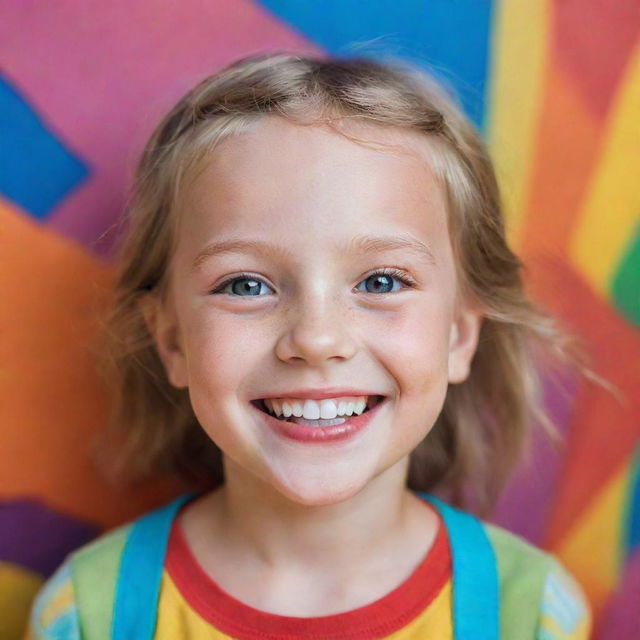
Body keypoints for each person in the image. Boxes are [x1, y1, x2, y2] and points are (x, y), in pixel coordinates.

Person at [24, 52, 592, 639]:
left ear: (459, 334)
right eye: (245, 285)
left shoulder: (529, 614)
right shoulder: (91, 612)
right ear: (171, 339)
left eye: (381, 281)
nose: (316, 339)